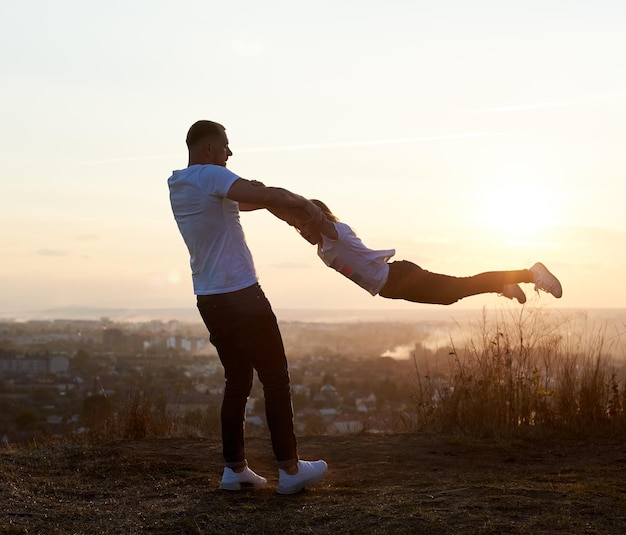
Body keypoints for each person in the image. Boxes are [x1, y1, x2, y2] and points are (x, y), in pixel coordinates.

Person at [168, 120, 331, 494]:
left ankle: (234, 469)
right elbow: (269, 193)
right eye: (226, 147)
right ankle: (290, 471)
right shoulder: (210, 174)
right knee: (276, 379)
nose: (230, 154)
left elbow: (255, 198)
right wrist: (311, 210)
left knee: (237, 381)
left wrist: (275, 201)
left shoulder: (182, 185)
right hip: (241, 295)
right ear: (209, 149)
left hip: (209, 299)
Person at [273, 199, 562, 305]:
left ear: (314, 219)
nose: (302, 232)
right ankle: (502, 284)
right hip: (389, 288)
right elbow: (288, 215)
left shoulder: (336, 235)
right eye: (298, 229)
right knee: (451, 297)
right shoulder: (323, 249)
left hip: (399, 277)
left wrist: (296, 206)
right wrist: (266, 202)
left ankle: (529, 273)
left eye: (303, 226)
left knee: (459, 287)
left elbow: (308, 213)